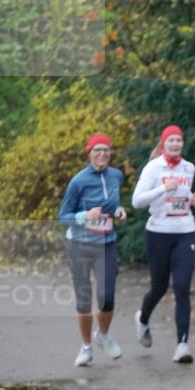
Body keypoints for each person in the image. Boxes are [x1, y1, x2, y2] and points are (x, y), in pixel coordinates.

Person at [131, 125, 195, 363]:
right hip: (158, 232)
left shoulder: (189, 168)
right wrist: (163, 188)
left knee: (182, 286)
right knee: (159, 287)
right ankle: (142, 319)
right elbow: (136, 202)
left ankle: (182, 345)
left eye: (179, 140)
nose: (175, 144)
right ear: (163, 144)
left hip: (185, 230)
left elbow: (185, 196)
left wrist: (193, 200)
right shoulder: (153, 168)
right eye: (171, 140)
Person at [58, 133, 127, 367]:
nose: (102, 154)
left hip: (106, 243)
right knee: (85, 298)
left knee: (107, 295)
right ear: (89, 153)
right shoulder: (78, 181)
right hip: (79, 244)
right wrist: (83, 215)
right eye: (97, 150)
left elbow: (113, 202)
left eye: (106, 150)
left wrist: (118, 211)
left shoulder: (116, 175)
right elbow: (62, 216)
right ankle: (86, 347)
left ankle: (103, 335)